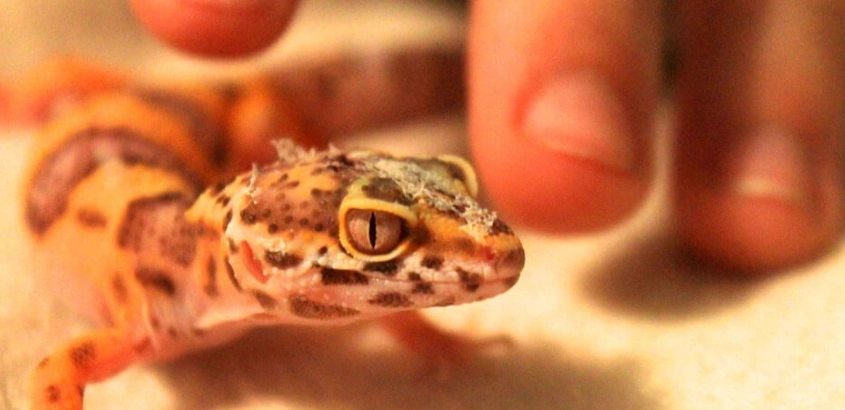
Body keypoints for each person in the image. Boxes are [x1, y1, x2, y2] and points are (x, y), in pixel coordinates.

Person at [128, 0, 845, 274]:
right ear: (256, 261)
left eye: (456, 182)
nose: (489, 245)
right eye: (374, 235)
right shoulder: (160, 292)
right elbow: (58, 373)